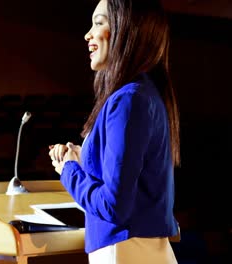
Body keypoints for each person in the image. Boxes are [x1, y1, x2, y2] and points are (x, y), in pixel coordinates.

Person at [48, 0, 181, 263]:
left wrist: (69, 170)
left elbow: (113, 206)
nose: (87, 34)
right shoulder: (141, 93)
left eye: (98, 23)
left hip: (125, 251)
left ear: (125, 31)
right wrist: (84, 159)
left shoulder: (128, 99)